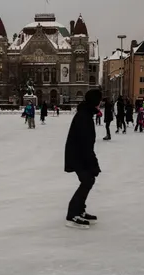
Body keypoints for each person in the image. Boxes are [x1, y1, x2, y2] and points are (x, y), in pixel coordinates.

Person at [64, 89, 102, 229]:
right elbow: (85, 144)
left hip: (79, 155)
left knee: (88, 180)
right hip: (78, 156)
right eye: (99, 100)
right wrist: (93, 164)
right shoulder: (84, 116)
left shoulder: (86, 114)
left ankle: (80, 210)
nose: (100, 103)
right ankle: (72, 214)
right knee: (87, 181)